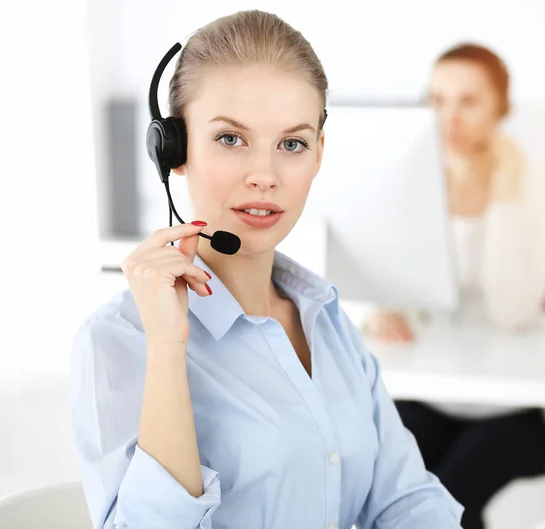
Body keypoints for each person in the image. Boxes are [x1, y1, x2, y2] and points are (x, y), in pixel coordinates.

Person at [70, 10, 464, 529]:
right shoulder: (120, 339)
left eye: (292, 144)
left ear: (318, 154)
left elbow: (406, 501)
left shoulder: (328, 322)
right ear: (174, 149)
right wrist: (168, 347)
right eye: (231, 139)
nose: (265, 176)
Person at [363, 43, 545, 529]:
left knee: (451, 497)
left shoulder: (530, 182)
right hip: (434, 390)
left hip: (521, 405)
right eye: (438, 99)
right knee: (399, 498)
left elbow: (511, 311)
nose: (449, 117)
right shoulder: (415, 181)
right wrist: (380, 310)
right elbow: (380, 272)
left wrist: (504, 189)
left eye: (468, 101)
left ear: (501, 109)